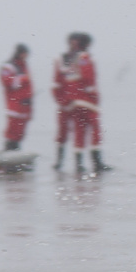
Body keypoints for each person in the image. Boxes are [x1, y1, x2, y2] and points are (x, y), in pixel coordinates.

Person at [52, 32, 110, 173]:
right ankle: (96, 163)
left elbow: (57, 83)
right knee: (94, 130)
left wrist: (62, 101)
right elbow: (88, 78)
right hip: (85, 101)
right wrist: (94, 97)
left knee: (76, 131)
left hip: (69, 103)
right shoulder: (84, 57)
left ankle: (77, 165)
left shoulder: (63, 59)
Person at [0, 43, 32, 150]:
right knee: (12, 133)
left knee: (20, 134)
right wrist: (23, 79)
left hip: (24, 106)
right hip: (15, 105)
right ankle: (8, 153)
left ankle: (15, 154)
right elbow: (8, 83)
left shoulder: (24, 66)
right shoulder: (8, 66)